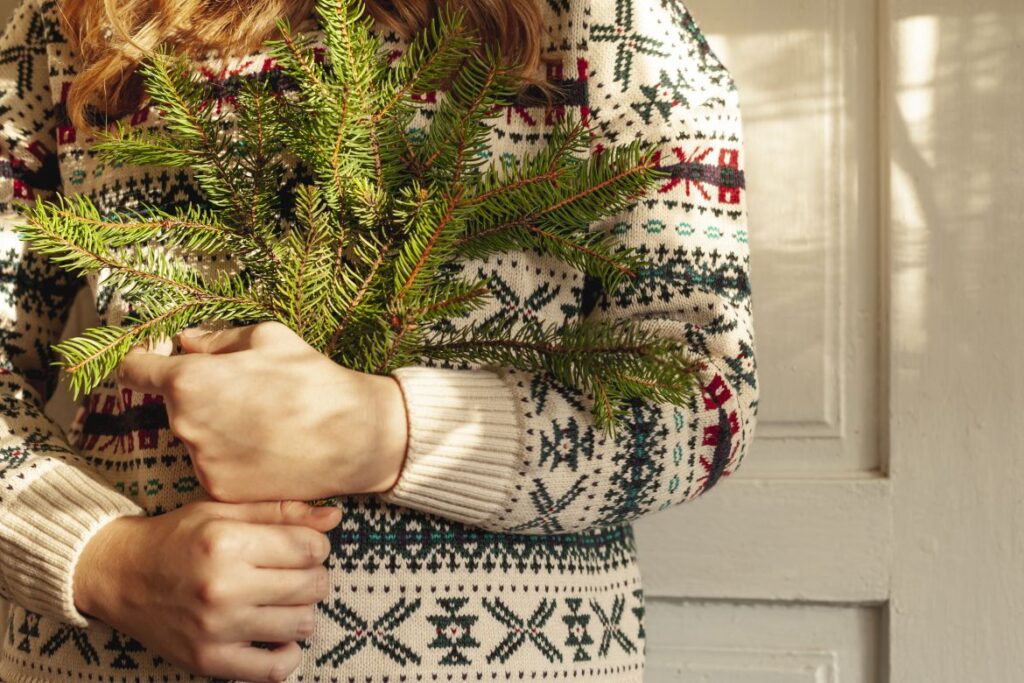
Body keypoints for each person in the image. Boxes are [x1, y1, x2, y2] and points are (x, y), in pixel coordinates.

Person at [0, 0, 759, 680]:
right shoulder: (72, 19)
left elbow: (708, 394)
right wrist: (102, 557)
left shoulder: (615, 23)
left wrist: (379, 431)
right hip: (110, 655)